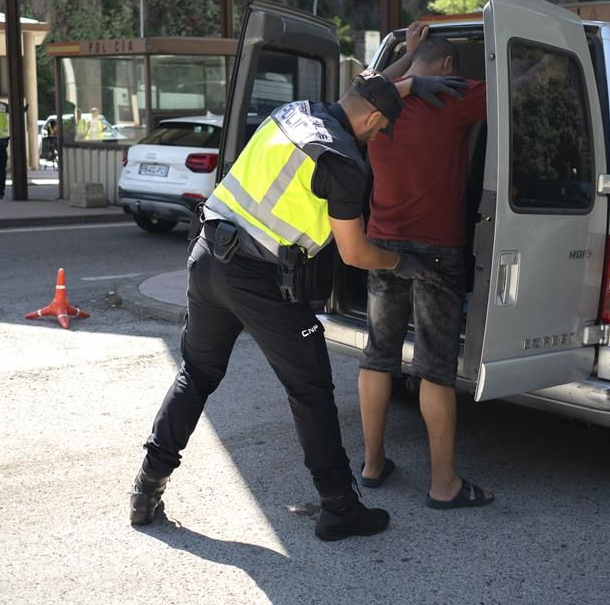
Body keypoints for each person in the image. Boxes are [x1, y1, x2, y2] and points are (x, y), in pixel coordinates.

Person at [130, 70, 467, 541]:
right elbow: (355, 253)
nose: (377, 137)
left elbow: (362, 94)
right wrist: (402, 263)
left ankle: (145, 491)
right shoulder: (343, 162)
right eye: (380, 129)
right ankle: (340, 507)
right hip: (257, 278)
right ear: (373, 119)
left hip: (207, 254)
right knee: (311, 390)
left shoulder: (296, 112)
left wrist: (406, 84)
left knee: (196, 374)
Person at [358, 22, 494, 509]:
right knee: (434, 366)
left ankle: (372, 464)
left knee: (378, 355)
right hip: (437, 247)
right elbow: (518, 88)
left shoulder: (378, 102)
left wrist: (406, 60)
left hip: (381, 243)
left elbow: (357, 90)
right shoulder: (454, 94)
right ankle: (444, 485)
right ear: (449, 66)